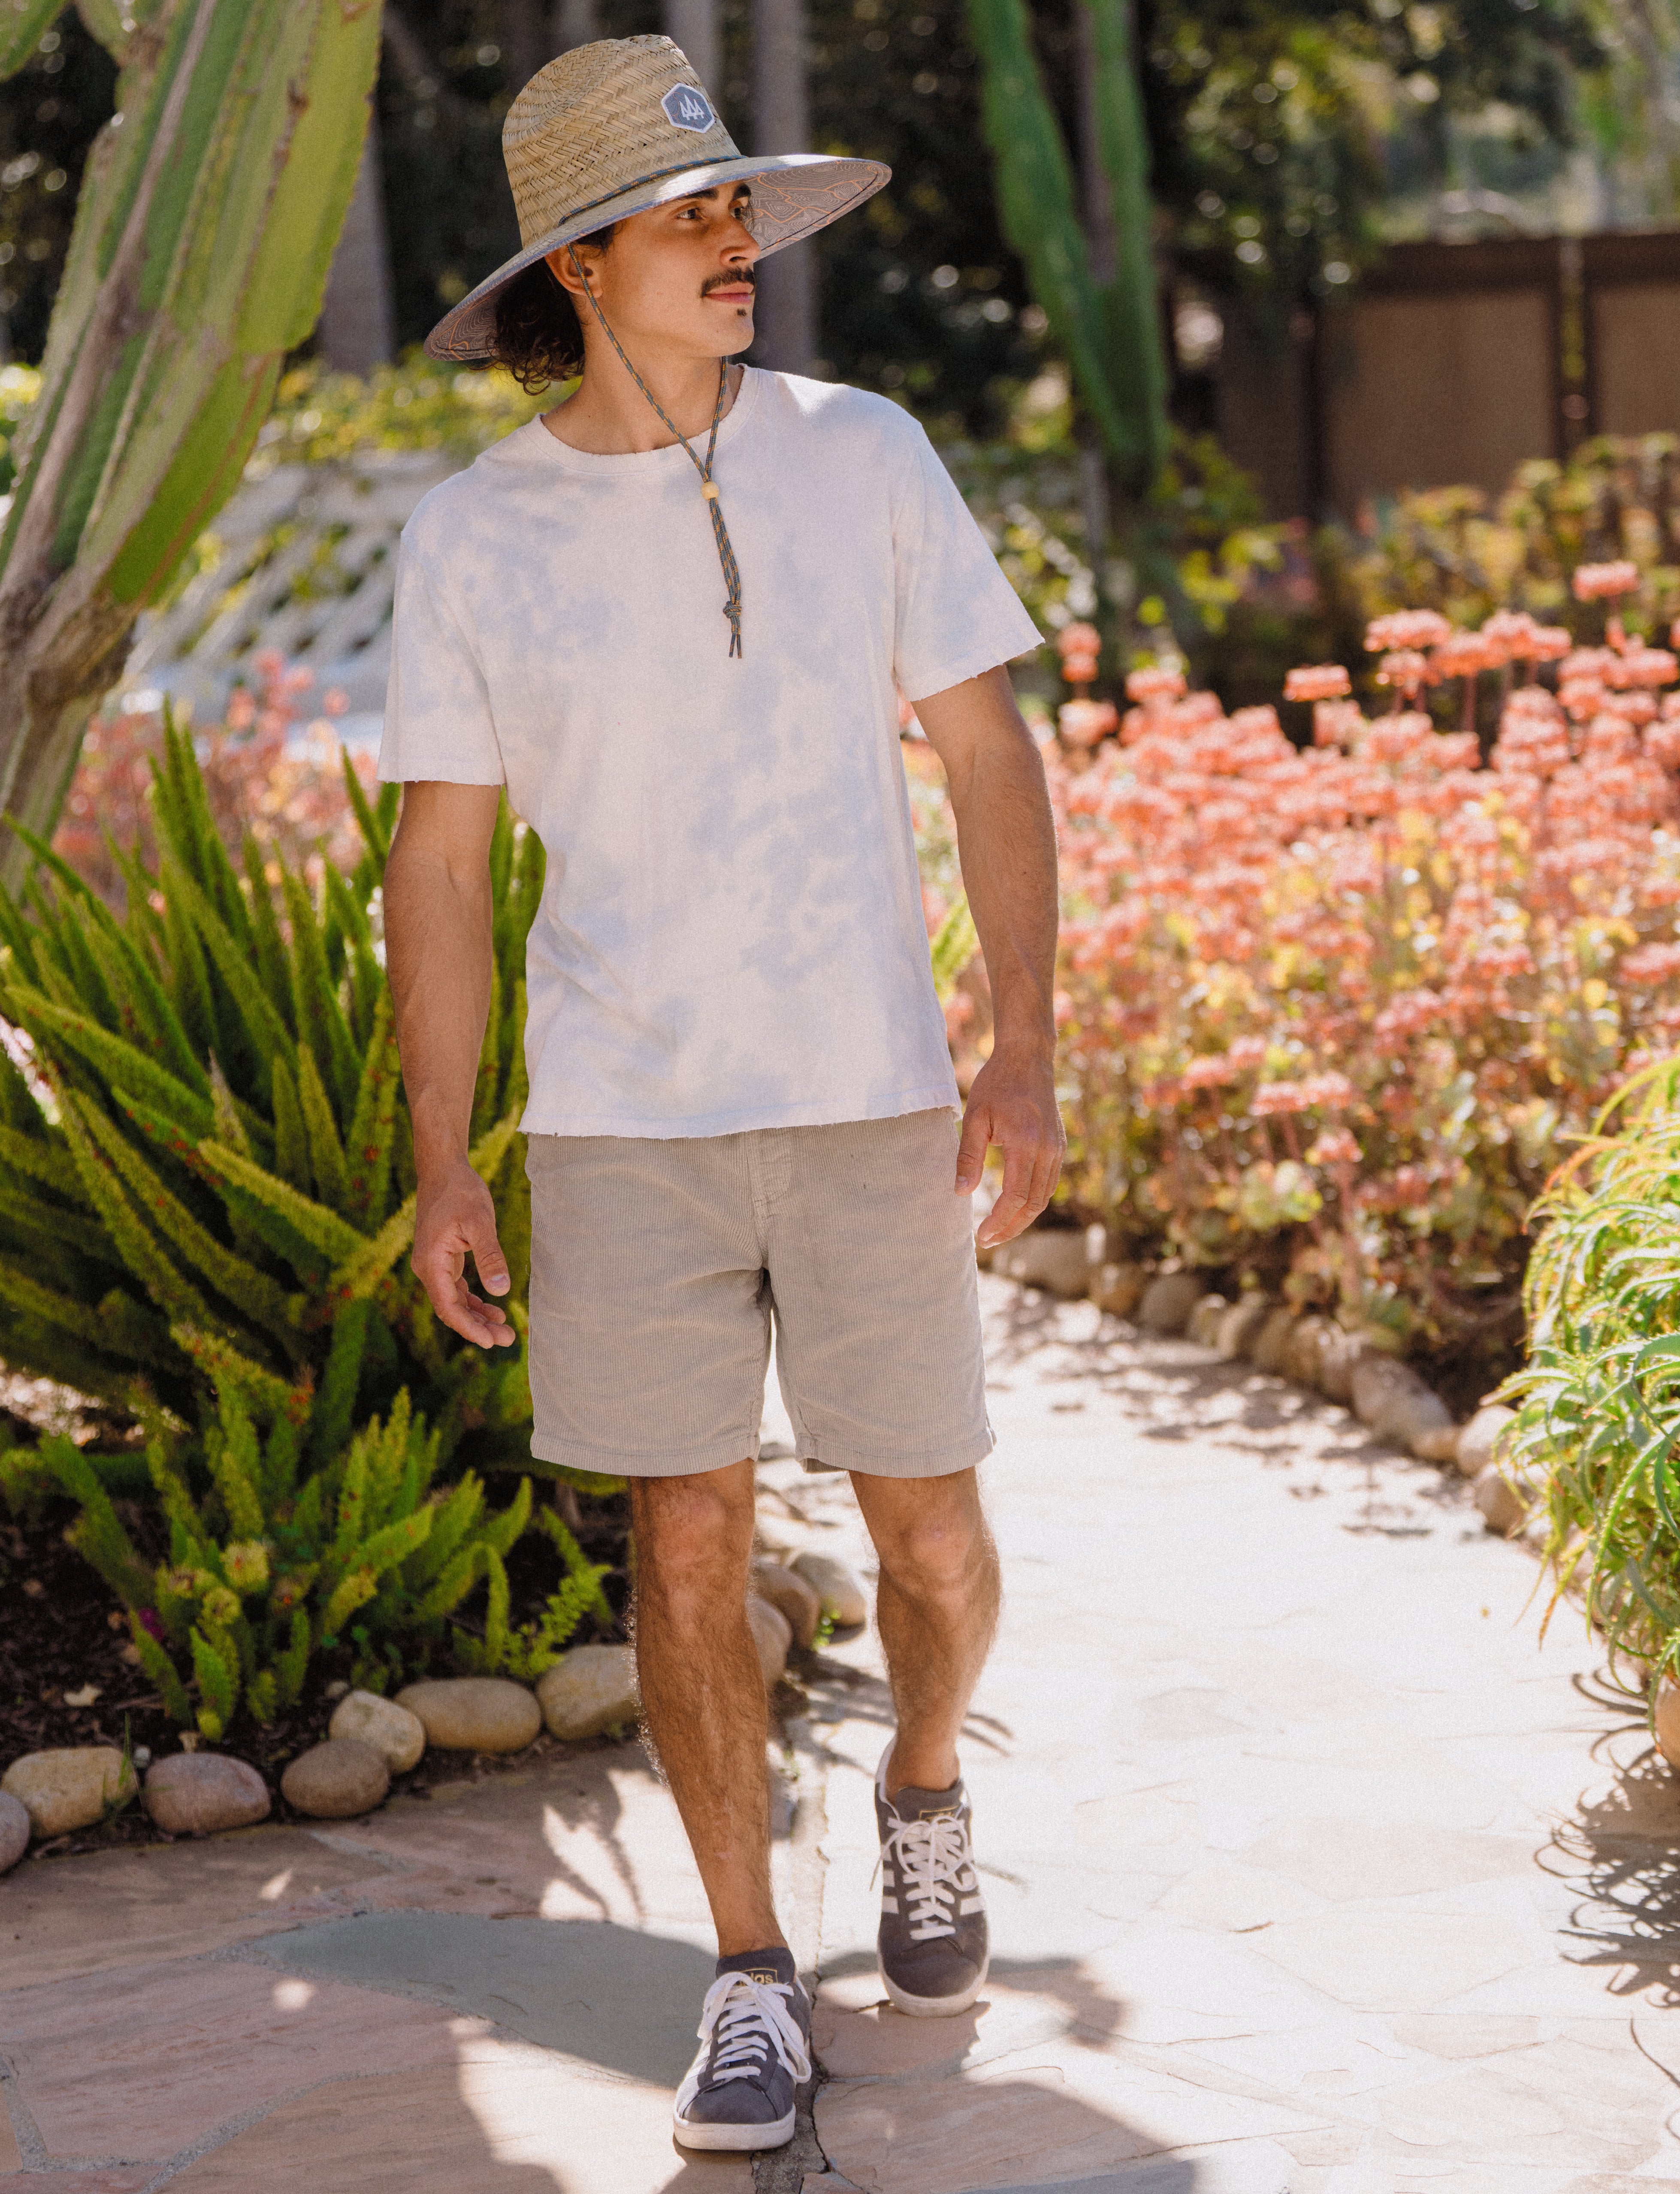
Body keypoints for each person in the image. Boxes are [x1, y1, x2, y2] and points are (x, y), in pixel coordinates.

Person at [380, 34, 1062, 2156]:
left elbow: (986, 754)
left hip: (866, 1094)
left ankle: (927, 1788)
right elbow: (438, 871)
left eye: (739, 203)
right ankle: (750, 1970)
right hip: (616, 1125)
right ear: (577, 267)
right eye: (688, 212)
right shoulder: (473, 538)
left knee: (930, 1533)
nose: (735, 237)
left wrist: (1022, 1039)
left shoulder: (865, 455)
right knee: (686, 1547)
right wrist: (440, 1162)